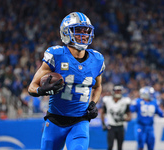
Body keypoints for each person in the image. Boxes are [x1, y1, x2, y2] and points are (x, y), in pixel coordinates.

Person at [28, 12, 105, 150]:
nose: (83, 35)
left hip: (80, 121)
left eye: (86, 31)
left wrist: (93, 103)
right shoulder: (56, 55)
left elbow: (98, 87)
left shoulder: (97, 59)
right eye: (78, 31)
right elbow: (32, 87)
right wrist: (41, 90)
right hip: (55, 120)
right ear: (66, 32)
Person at [129, 86, 164, 150]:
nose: (152, 95)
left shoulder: (154, 102)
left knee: (151, 144)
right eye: (150, 94)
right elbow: (131, 109)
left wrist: (162, 113)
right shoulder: (138, 101)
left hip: (150, 126)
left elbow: (160, 113)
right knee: (140, 143)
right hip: (140, 125)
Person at [100, 85, 131, 150]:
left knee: (120, 147)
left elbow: (129, 116)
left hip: (120, 126)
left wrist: (123, 119)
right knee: (110, 146)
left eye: (119, 91)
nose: (118, 93)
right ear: (113, 92)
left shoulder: (125, 101)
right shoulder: (107, 100)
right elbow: (102, 113)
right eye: (117, 91)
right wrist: (103, 124)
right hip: (111, 127)